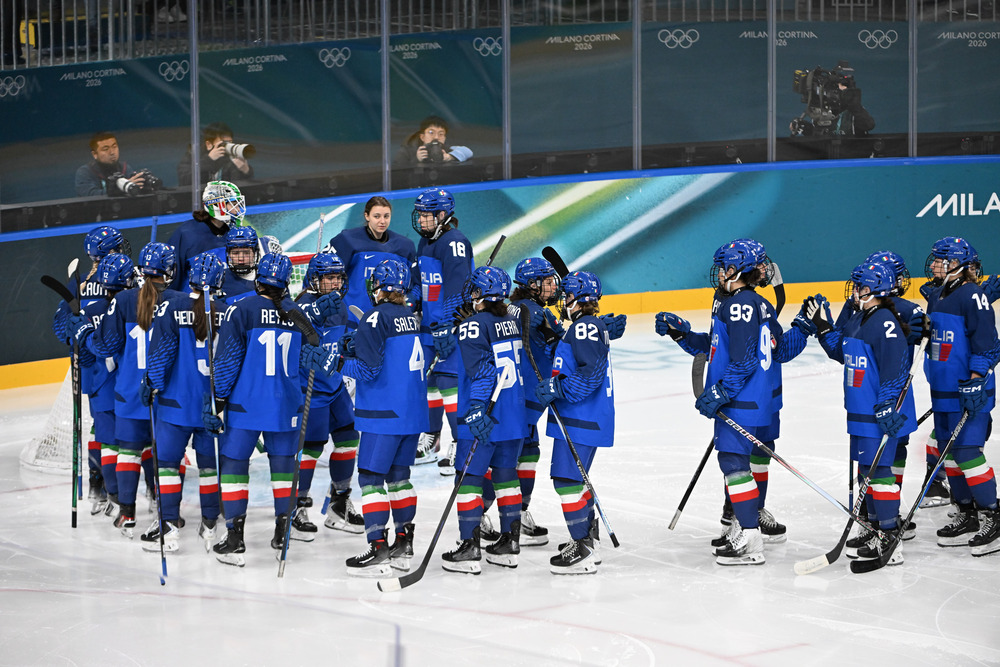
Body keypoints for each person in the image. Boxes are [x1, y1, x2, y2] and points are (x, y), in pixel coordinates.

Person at [656, 240, 812, 565]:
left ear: (736, 270)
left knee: (733, 463)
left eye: (725, 266)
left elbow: (741, 362)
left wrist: (720, 392)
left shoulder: (738, 305)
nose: (720, 273)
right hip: (763, 399)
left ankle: (750, 538)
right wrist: (682, 335)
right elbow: (766, 349)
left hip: (742, 400)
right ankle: (744, 522)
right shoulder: (755, 303)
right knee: (749, 461)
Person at [207, 253, 339, 567]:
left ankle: (235, 538)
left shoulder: (241, 309)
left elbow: (226, 363)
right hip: (286, 405)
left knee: (235, 465)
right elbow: (313, 359)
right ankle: (283, 532)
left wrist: (217, 401)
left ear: (259, 278)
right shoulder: (297, 314)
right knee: (283, 469)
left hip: (246, 405)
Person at [808, 262, 918, 565]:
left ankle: (888, 537)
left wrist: (885, 405)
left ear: (877, 290)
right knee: (865, 472)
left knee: (879, 473)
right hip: (859, 410)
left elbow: (895, 372)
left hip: (876, 413)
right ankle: (872, 527)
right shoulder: (859, 317)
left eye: (861, 287)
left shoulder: (885, 322)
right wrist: (823, 327)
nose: (855, 291)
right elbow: (840, 351)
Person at [69, 242, 180, 539]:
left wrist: (85, 334)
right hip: (166, 392)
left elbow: (105, 346)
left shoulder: (123, 300)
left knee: (129, 453)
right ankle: (167, 513)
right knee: (167, 457)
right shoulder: (180, 300)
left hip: (129, 391)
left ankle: (127, 514)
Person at [339, 259, 429, 577]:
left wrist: (336, 362)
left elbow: (367, 370)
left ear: (376, 286)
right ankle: (403, 544)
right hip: (413, 413)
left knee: (370, 479)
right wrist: (356, 349)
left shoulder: (376, 316)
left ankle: (378, 549)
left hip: (383, 414)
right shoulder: (410, 316)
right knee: (399, 478)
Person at [440, 266, 527, 574]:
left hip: (483, 416)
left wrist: (477, 407)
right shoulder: (511, 321)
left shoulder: (473, 325)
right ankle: (509, 544)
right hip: (513, 415)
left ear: (478, 293)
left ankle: (469, 546)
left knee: (468, 478)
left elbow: (483, 372)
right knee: (506, 476)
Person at [141, 252, 227, 553]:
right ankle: (209, 526)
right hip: (210, 409)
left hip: (175, 405)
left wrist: (151, 384)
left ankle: (168, 526)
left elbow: (160, 356)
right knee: (208, 469)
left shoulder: (170, 306)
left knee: (166, 465)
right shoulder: (225, 311)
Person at [920, 237, 1000, 556]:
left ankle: (993, 514)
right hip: (943, 390)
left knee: (967, 453)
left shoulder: (971, 295)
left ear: (959, 266)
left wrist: (976, 379)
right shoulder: (938, 293)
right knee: (947, 453)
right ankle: (966, 512)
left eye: (942, 260)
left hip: (970, 391)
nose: (935, 264)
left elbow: (989, 344)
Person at [533, 271, 614, 574]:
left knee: (567, 480)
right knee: (575, 480)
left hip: (582, 419)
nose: (563, 301)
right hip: (583, 419)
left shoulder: (585, 327)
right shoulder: (586, 326)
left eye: (567, 296)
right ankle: (586, 537)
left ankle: (582, 548)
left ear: (578, 300)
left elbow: (591, 374)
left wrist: (558, 389)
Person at [51, 225, 132, 512]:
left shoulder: (80, 285)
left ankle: (99, 485)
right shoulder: (125, 280)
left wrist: (78, 340)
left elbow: (61, 327)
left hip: (94, 373)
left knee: (102, 429)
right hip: (121, 368)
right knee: (127, 432)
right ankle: (120, 491)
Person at [292, 252, 365, 536]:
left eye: (338, 277)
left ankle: (339, 505)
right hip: (309, 391)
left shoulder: (341, 305)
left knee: (349, 439)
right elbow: (293, 347)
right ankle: (297, 508)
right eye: (328, 278)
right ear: (314, 279)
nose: (334, 282)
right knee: (310, 449)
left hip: (334, 388)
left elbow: (343, 341)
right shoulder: (301, 307)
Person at [411, 188, 475, 474]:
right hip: (428, 326)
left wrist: (447, 326)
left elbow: (457, 291)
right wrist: (410, 303)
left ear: (442, 214)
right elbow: (419, 282)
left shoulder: (455, 243)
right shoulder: (425, 242)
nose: (421, 220)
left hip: (451, 327)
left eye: (426, 215)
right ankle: (432, 438)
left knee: (450, 384)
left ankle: (460, 442)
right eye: (420, 214)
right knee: (430, 384)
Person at [508, 257, 564, 547]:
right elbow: (566, 343)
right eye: (547, 280)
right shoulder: (536, 313)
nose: (552, 285)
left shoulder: (515, 307)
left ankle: (517, 514)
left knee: (526, 453)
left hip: (516, 396)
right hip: (526, 397)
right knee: (511, 458)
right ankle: (490, 519)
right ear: (531, 285)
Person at [323, 196, 417, 329]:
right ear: (367, 216)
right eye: (377, 216)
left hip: (388, 323)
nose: (382, 221)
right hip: (351, 321)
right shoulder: (347, 240)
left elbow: (412, 284)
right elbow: (322, 271)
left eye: (386, 216)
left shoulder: (405, 247)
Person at [167, 180, 247, 292]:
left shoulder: (235, 232)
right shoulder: (186, 234)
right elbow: (173, 278)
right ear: (216, 205)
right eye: (233, 204)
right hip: (195, 303)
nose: (238, 210)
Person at [75, 131, 158, 197]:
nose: (112, 152)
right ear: (94, 154)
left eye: (114, 147)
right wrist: (119, 189)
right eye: (105, 149)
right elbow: (90, 195)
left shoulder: (125, 168)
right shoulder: (85, 172)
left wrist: (142, 186)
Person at [178, 122, 254, 188]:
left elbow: (241, 191)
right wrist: (208, 160)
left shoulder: (232, 158)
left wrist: (245, 172)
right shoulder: (193, 156)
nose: (228, 146)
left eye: (230, 142)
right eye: (223, 143)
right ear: (209, 145)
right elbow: (185, 183)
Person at [393, 116, 473, 167]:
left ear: (445, 138)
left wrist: (449, 157)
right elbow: (397, 172)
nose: (436, 137)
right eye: (431, 132)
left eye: (441, 134)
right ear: (422, 137)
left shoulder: (446, 150)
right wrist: (416, 160)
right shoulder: (406, 151)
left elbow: (468, 152)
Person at [219, 226, 259, 304]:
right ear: (229, 254)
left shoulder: (267, 278)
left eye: (246, 253)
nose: (241, 258)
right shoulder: (219, 280)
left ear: (255, 253)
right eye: (235, 253)